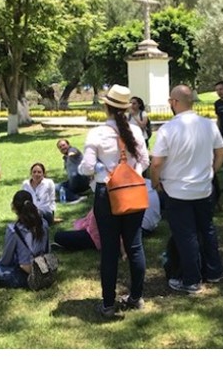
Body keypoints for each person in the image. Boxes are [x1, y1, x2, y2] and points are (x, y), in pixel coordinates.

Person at [80, 85, 151, 316]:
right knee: (135, 245)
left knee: (110, 249)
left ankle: (108, 304)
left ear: (106, 106)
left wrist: (104, 169)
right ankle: (136, 297)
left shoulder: (97, 133)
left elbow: (87, 167)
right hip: (133, 191)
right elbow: (145, 161)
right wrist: (133, 174)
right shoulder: (135, 131)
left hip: (106, 193)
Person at [150, 85, 223, 294]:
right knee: (207, 229)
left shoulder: (168, 129)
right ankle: (214, 270)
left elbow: (156, 163)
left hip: (177, 190)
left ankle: (191, 279)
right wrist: (211, 172)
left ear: (174, 103)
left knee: (186, 235)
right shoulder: (208, 124)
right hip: (203, 188)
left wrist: (155, 181)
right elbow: (222, 153)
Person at [0, 190, 50, 289]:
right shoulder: (44, 223)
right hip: (44, 268)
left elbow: (6, 261)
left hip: (25, 276)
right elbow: (48, 250)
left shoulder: (14, 230)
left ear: (14, 207)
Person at [56, 139, 93, 204]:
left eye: (63, 145)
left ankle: (75, 198)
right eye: (60, 147)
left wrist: (70, 155)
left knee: (74, 175)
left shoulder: (73, 149)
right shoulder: (65, 158)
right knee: (55, 186)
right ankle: (74, 194)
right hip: (75, 182)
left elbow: (72, 153)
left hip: (83, 180)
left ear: (68, 145)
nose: (62, 148)